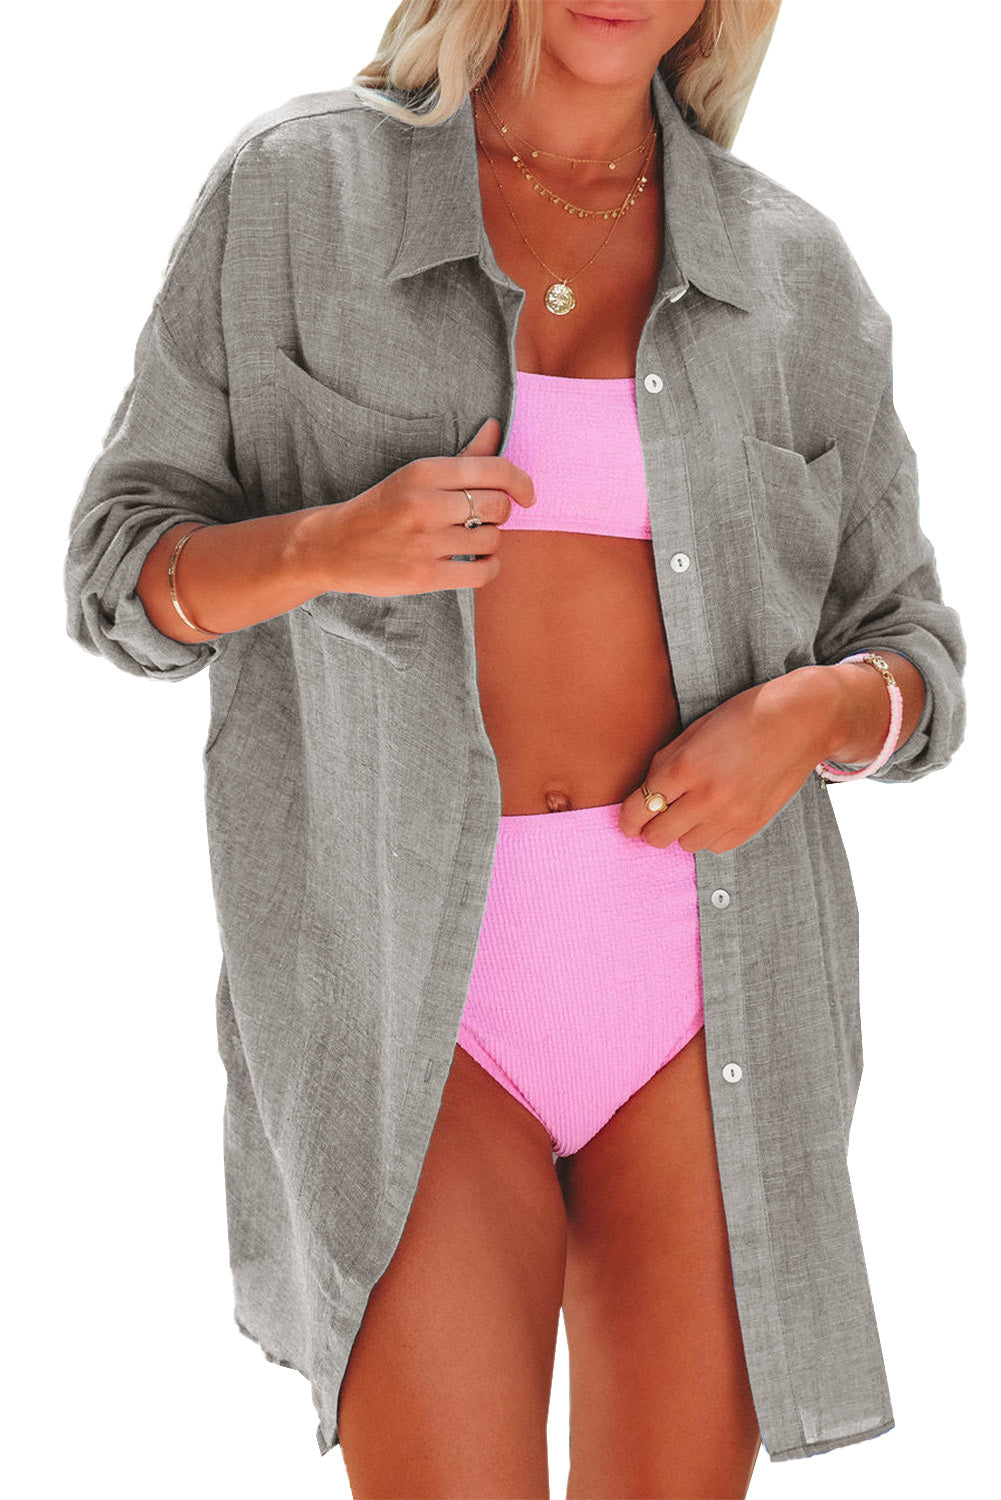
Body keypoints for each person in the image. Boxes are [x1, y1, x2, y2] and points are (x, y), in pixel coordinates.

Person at [63, 1, 967, 1495]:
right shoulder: (298, 192)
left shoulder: (795, 272)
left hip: (710, 992)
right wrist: (326, 544)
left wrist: (821, 715)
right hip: (409, 987)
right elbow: (117, 573)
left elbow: (912, 652)